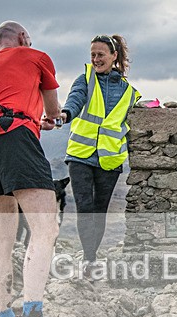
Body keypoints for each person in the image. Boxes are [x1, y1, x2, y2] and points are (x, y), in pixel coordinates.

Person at [0, 21, 73, 317]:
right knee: (45, 229)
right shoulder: (36, 56)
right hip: (15, 140)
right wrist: (50, 119)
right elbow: (53, 109)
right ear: (24, 39)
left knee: (2, 236)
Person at [60, 34, 142, 280]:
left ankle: (90, 256)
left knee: (99, 211)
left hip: (109, 160)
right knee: (85, 208)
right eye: (92, 55)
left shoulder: (129, 92)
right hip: (80, 155)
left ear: (114, 56)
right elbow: (75, 99)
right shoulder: (85, 78)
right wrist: (65, 114)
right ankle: (89, 259)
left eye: (100, 55)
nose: (95, 59)